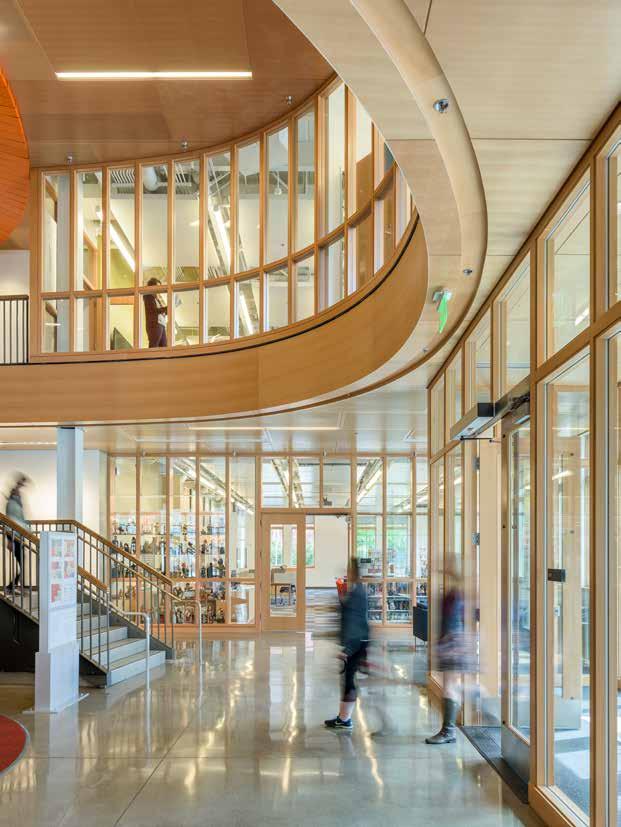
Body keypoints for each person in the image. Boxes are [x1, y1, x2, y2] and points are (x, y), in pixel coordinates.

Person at [425, 556, 474, 745]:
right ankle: (448, 729)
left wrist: (445, 643)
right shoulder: (456, 590)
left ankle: (448, 731)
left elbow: (453, 621)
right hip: (452, 645)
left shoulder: (456, 593)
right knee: (451, 685)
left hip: (453, 647)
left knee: (449, 686)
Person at [325, 558, 369, 730]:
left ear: (353, 571)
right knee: (348, 680)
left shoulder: (357, 592)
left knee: (349, 680)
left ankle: (345, 719)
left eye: (349, 570)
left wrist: (347, 649)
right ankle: (343, 717)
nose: (347, 572)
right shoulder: (357, 589)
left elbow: (354, 621)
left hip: (356, 643)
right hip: (358, 641)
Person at [5, 474, 30, 592]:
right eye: (17, 493)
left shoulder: (16, 505)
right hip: (14, 537)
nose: (20, 495)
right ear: (14, 494)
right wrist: (9, 541)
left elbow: (20, 520)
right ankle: (12, 586)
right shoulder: (11, 505)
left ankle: (14, 585)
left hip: (19, 536)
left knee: (22, 562)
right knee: (22, 562)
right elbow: (9, 522)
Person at [143, 278, 168, 347]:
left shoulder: (157, 298)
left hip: (161, 324)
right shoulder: (148, 296)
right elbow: (154, 310)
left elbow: (161, 312)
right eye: (158, 286)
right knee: (154, 345)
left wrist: (167, 310)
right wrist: (166, 308)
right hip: (155, 324)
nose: (159, 289)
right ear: (152, 287)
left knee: (164, 346)